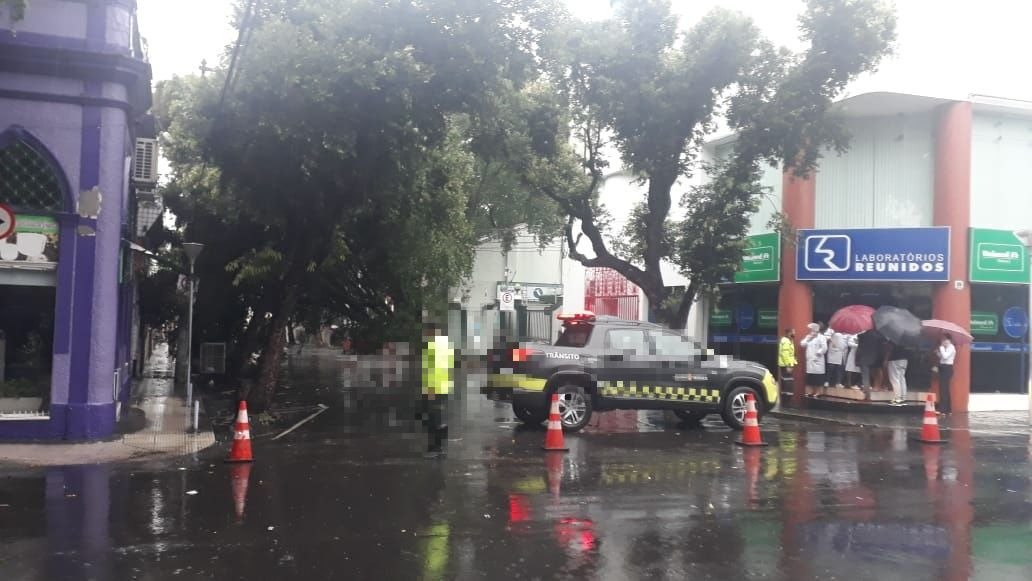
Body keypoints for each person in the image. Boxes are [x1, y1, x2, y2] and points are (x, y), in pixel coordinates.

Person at [420, 321, 455, 457]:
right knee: (437, 418)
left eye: (428, 333)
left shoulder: (435, 348)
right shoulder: (444, 347)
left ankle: (435, 448)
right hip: (440, 387)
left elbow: (434, 370)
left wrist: (431, 388)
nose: (427, 335)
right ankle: (438, 445)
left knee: (432, 419)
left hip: (434, 388)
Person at [800, 323, 827, 396]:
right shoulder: (808, 337)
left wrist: (819, 353)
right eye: (811, 330)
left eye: (813, 330)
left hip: (818, 360)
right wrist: (808, 339)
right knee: (810, 378)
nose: (812, 332)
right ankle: (809, 391)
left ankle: (819, 392)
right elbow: (802, 344)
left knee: (818, 378)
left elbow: (824, 347)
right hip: (810, 361)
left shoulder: (822, 337)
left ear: (817, 331)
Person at [936, 333, 956, 414]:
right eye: (942, 339)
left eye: (945, 339)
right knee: (944, 389)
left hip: (947, 368)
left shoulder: (951, 347)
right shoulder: (945, 348)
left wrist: (941, 348)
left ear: (949, 340)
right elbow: (942, 358)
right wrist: (938, 353)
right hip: (943, 368)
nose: (943, 341)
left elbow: (945, 356)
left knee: (944, 389)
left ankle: (943, 410)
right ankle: (948, 409)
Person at [778, 328, 798, 396]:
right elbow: (785, 354)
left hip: (786, 363)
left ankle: (786, 394)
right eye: (793, 332)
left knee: (786, 380)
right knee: (787, 380)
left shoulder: (789, 340)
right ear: (789, 333)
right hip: (786, 364)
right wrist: (788, 365)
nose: (794, 333)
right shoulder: (786, 341)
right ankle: (787, 396)